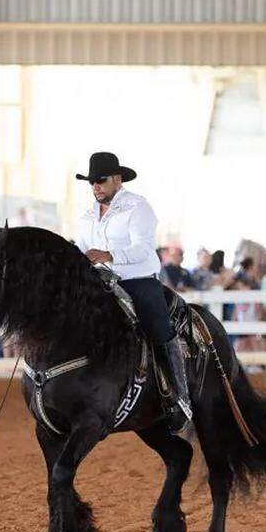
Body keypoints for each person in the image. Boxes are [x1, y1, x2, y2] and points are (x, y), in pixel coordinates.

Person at [74, 151, 191, 433]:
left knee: (159, 329)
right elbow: (80, 249)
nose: (95, 186)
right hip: (99, 282)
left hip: (136, 279)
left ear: (117, 179)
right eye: (91, 182)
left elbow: (143, 248)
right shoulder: (88, 214)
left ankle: (180, 397)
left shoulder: (138, 207)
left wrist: (109, 254)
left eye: (100, 180)